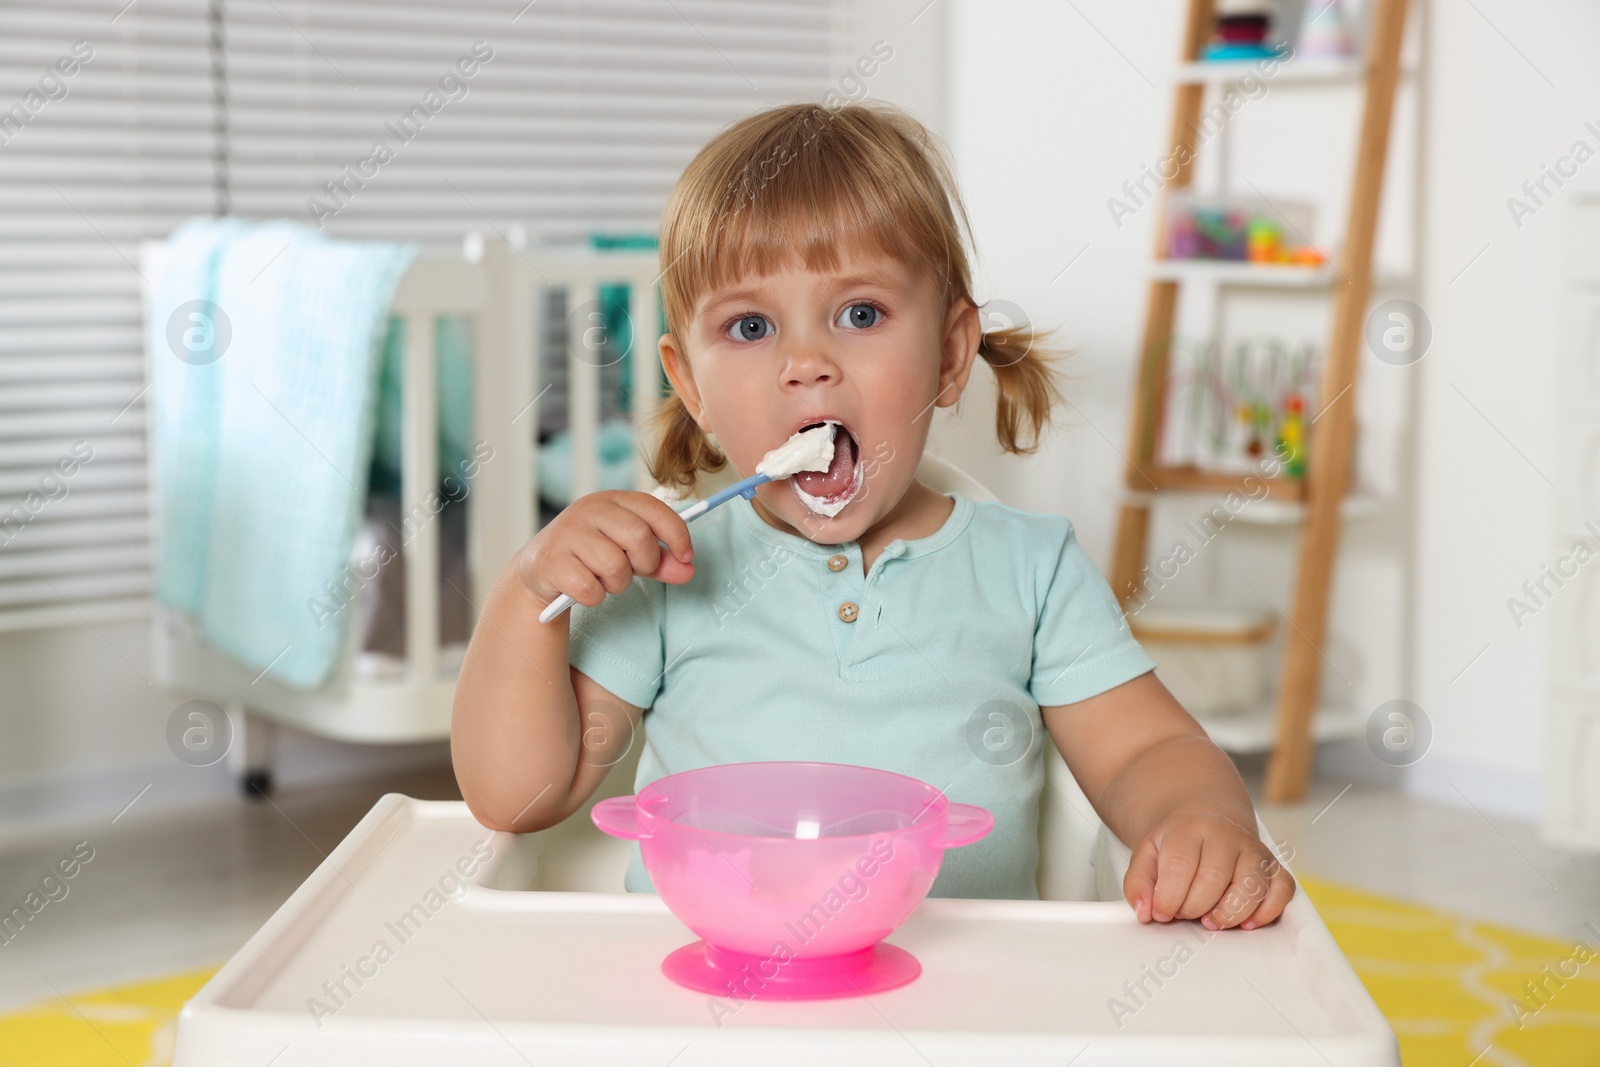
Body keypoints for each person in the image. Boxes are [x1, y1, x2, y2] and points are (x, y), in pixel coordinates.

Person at [452, 101, 1294, 931]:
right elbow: (514, 795)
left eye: (860, 314)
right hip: (709, 997)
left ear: (950, 354)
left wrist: (1200, 823)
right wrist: (530, 598)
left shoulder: (1032, 569)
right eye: (750, 326)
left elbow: (1146, 751)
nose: (806, 363)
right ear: (692, 386)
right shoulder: (672, 565)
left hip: (964, 998)